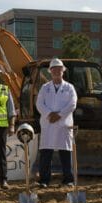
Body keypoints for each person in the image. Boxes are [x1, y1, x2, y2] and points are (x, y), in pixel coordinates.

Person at [36, 58, 77, 188]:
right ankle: (44, 180)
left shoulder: (69, 87)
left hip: (63, 124)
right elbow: (39, 104)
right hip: (48, 124)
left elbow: (72, 104)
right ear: (50, 71)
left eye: (59, 69)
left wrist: (59, 115)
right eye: (54, 69)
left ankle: (68, 179)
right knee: (46, 153)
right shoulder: (44, 88)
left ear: (63, 71)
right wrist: (49, 114)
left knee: (65, 152)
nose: (56, 71)